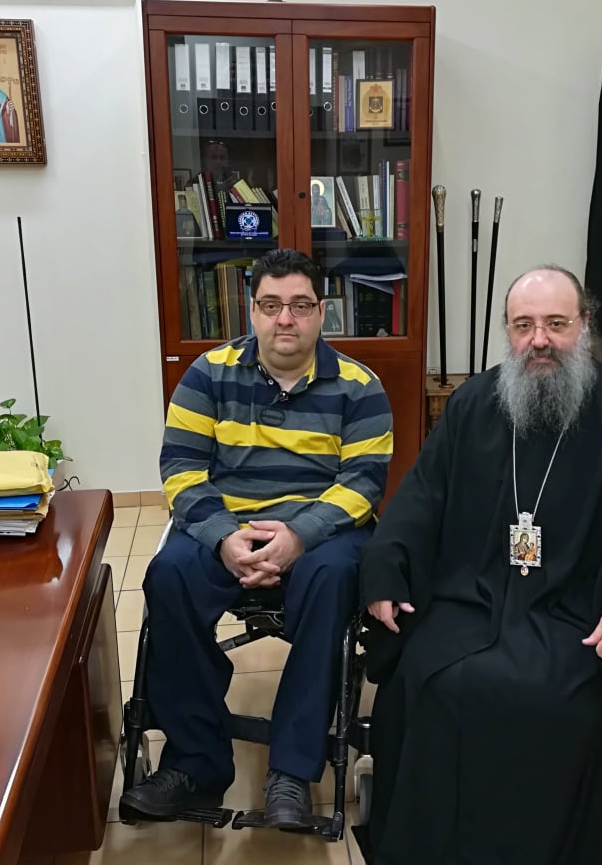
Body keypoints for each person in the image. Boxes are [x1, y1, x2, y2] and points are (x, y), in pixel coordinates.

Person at [360, 264, 602, 865]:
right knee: (424, 681)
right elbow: (421, 497)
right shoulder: (471, 405)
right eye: (524, 325)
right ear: (508, 332)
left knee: (564, 700)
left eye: (556, 323)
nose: (539, 340)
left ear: (584, 326)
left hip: (579, 610)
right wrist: (387, 567)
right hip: (472, 598)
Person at [120, 249, 393, 828]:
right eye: (271, 305)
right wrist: (224, 538)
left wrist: (299, 536)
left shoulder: (359, 386)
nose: (284, 319)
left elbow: (364, 483)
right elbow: (181, 470)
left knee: (335, 577)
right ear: (252, 310)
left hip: (320, 533)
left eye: (299, 306)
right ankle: (194, 763)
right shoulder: (207, 373)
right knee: (168, 575)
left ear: (322, 311)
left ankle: (291, 772)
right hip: (227, 524)